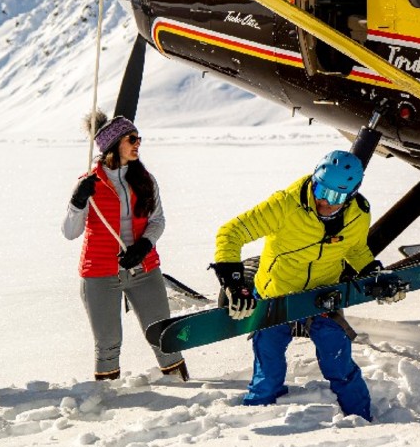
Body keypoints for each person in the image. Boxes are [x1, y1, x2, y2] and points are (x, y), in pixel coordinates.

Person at [212, 150, 399, 421]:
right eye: (321, 190)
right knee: (268, 371)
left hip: (322, 298)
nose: (324, 201)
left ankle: (363, 418)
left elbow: (355, 249)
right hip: (276, 298)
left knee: (339, 365)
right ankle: (253, 421)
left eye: (335, 197)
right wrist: (234, 282)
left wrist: (372, 271)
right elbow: (231, 232)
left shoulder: (358, 213)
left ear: (351, 195)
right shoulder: (285, 205)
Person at [62, 112, 188, 382]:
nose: (138, 143)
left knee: (165, 336)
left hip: (144, 270)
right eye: (132, 138)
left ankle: (186, 387)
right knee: (107, 344)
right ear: (113, 143)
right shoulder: (88, 183)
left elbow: (157, 220)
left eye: (139, 138)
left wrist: (144, 245)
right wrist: (77, 202)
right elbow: (70, 232)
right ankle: (108, 399)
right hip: (99, 274)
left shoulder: (145, 180)